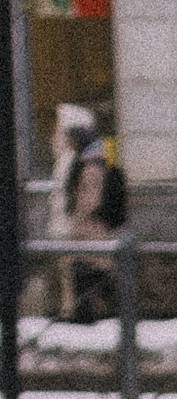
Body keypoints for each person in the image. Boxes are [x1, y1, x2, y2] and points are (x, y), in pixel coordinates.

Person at [48, 104, 125, 327]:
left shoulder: (91, 163)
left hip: (89, 230)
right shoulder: (89, 159)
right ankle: (98, 314)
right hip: (89, 230)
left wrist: (75, 221)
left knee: (90, 273)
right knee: (92, 273)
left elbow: (88, 200)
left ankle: (91, 316)